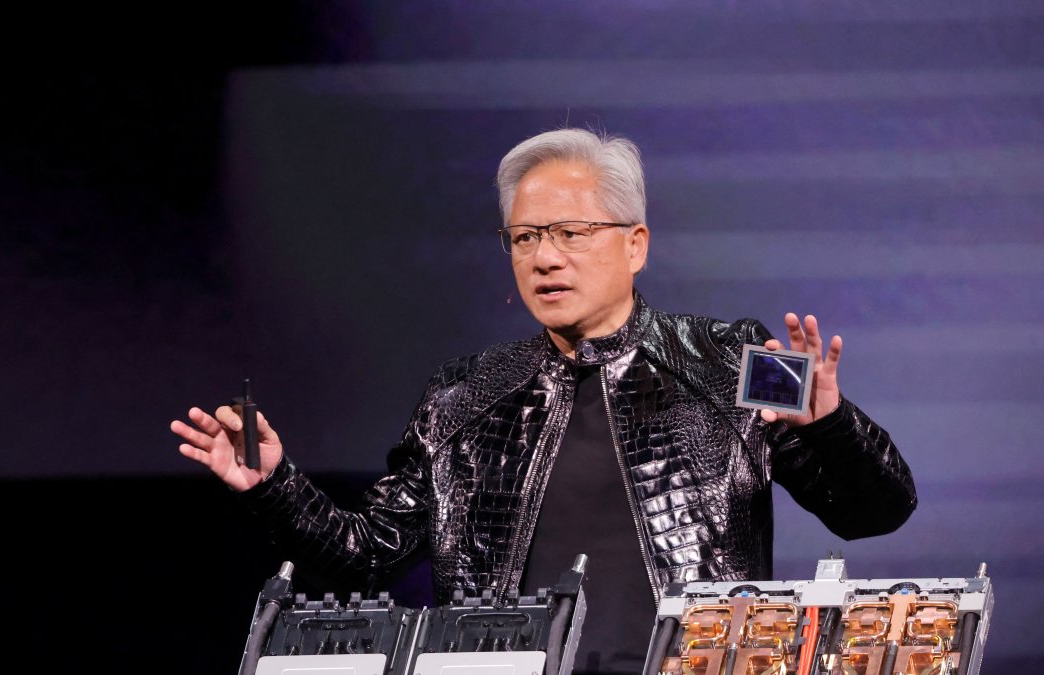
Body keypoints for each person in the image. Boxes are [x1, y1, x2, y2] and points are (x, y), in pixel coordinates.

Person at [170, 128, 916, 674]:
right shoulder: (462, 396)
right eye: (524, 237)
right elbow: (367, 557)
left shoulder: (731, 360)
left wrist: (832, 425)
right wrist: (275, 484)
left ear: (636, 243)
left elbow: (875, 510)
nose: (545, 257)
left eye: (569, 232)